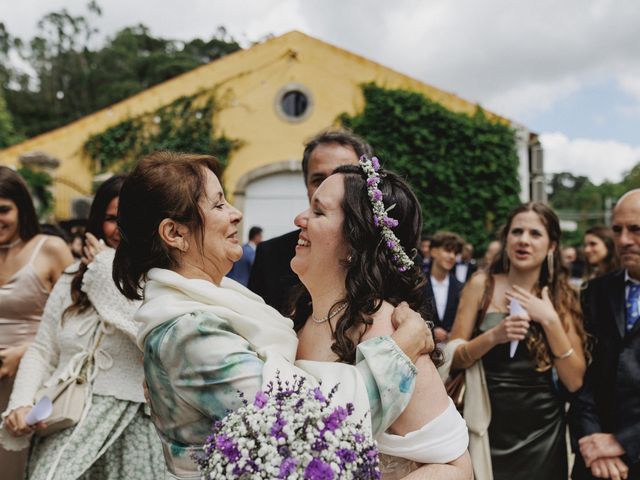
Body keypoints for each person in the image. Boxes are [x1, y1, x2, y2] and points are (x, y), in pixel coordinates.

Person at [112, 151, 435, 479]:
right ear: (175, 234)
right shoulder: (188, 334)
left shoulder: (225, 302)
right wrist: (398, 355)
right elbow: (304, 431)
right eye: (219, 204)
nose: (236, 214)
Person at [292, 160, 472, 479]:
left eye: (318, 212)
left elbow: (456, 467)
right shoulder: (302, 315)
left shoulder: (389, 329)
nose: (299, 219)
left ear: (354, 242)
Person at [0, 175, 165, 479]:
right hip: (64, 419)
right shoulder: (72, 276)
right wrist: (21, 403)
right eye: (111, 218)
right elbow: (43, 349)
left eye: (130, 218)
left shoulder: (162, 279)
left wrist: (105, 270)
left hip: (131, 429)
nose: (120, 228)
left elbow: (153, 338)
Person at [447, 202, 589, 480]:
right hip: (484, 422)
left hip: (542, 432)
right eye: (517, 232)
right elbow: (453, 357)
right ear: (506, 239)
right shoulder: (481, 285)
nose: (524, 240)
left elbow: (574, 381)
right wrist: (494, 336)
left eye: (535, 234)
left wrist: (549, 321)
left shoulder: (562, 296)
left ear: (551, 246)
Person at [0, 166, 73, 479]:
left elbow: (76, 322)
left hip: (29, 381)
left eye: (3, 210)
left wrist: (24, 351)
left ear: (22, 208)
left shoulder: (50, 249)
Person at [249, 129, 372, 314]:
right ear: (306, 186)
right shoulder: (271, 256)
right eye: (318, 180)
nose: (328, 188)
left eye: (345, 178)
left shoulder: (392, 258)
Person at [570, 190, 640, 480]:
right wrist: (590, 437)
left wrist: (623, 441)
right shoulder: (595, 291)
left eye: (635, 229)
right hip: (595, 460)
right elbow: (583, 375)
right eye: (617, 229)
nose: (623, 240)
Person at [425, 231, 465, 343]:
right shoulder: (419, 284)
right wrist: (431, 330)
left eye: (455, 253)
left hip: (451, 347)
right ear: (433, 252)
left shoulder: (461, 287)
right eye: (448, 250)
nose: (452, 256)